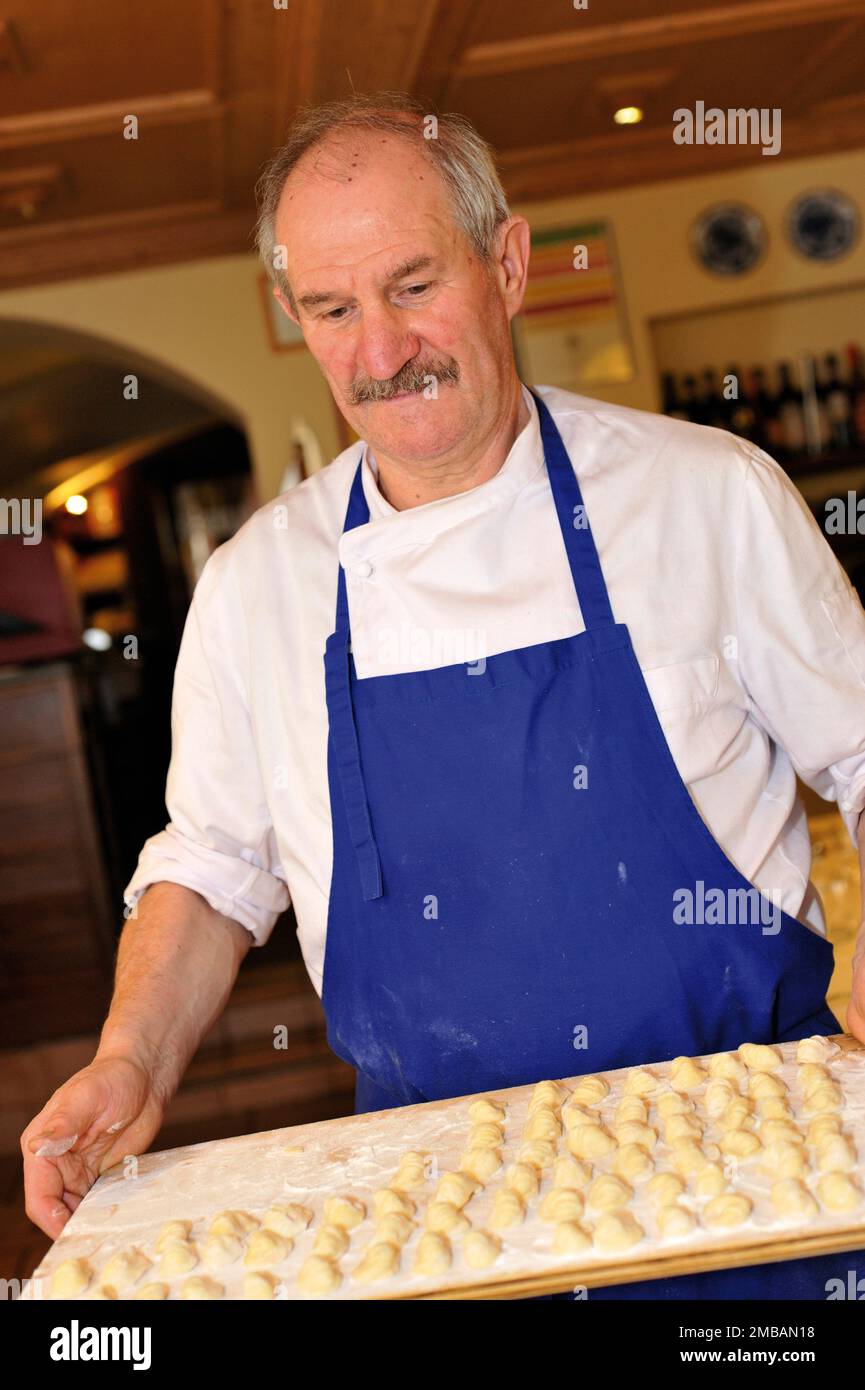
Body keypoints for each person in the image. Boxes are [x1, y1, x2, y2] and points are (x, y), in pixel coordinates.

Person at [22, 93, 865, 1299]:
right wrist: (131, 1061)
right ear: (292, 315)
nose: (379, 351)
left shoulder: (708, 496)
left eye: (413, 285)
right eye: (331, 307)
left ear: (508, 263)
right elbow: (212, 862)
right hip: (440, 1218)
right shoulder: (260, 586)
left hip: (762, 1173)